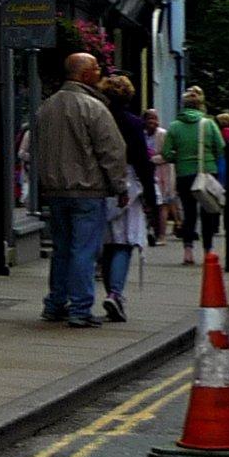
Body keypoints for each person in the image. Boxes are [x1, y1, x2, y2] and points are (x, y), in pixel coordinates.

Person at [33, 53, 128, 327]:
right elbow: (112, 151)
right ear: (85, 74)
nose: (100, 73)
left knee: (61, 250)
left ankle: (55, 304)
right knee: (84, 251)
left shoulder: (46, 107)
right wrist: (119, 185)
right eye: (96, 68)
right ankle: (80, 309)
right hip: (87, 191)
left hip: (54, 191)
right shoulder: (94, 107)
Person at [100, 76, 155, 323]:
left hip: (99, 184)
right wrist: (151, 198)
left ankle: (111, 292)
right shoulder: (133, 123)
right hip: (128, 184)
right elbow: (143, 161)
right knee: (123, 242)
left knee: (106, 244)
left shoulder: (98, 118)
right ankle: (115, 294)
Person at [164, 86, 225, 265]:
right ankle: (208, 251)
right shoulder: (209, 123)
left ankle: (188, 251)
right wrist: (208, 157)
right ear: (200, 105)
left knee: (189, 213)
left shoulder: (174, 126)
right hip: (206, 171)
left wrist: (180, 158)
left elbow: (167, 153)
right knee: (208, 211)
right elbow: (220, 147)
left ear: (183, 105)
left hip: (184, 173)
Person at [143, 108, 172, 245]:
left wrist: (152, 159)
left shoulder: (163, 134)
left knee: (162, 205)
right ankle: (149, 232)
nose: (152, 122)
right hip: (146, 173)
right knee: (148, 204)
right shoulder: (141, 134)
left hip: (161, 173)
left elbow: (169, 155)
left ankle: (161, 235)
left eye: (155, 119)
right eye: (149, 118)